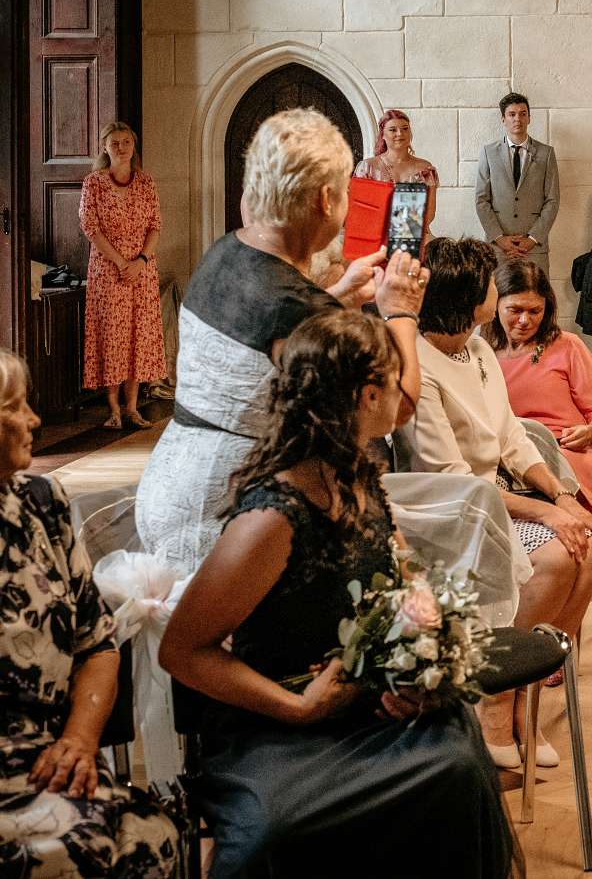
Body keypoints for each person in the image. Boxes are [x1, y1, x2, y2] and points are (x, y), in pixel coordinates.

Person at [159, 311, 514, 877]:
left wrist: (420, 659)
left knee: (459, 768)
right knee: (279, 826)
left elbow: (405, 569)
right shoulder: (273, 518)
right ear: (368, 395)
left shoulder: (357, 473)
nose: (404, 395)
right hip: (275, 715)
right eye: (396, 381)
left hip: (364, 699)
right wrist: (301, 708)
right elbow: (181, 651)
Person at [136, 109, 425, 576]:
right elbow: (391, 409)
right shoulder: (298, 307)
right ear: (327, 200)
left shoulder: (225, 252)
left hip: (171, 479)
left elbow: (263, 336)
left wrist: (339, 296)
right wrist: (401, 312)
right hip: (231, 511)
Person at [407, 237, 592, 767]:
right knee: (559, 556)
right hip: (450, 516)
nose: (499, 292)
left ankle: (524, 696)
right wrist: (546, 512)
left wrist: (563, 496)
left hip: (494, 501)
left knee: (589, 547)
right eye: (491, 287)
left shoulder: (475, 350)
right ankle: (495, 698)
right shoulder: (420, 364)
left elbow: (512, 438)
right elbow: (453, 480)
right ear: (469, 299)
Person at [0, 347, 180, 878]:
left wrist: (78, 740)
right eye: (16, 407)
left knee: (150, 833)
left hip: (48, 754)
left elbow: (97, 642)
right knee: (69, 851)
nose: (34, 420)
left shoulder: (41, 501)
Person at [487, 258, 592, 520]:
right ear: (494, 305)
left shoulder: (568, 345)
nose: (524, 320)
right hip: (511, 455)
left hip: (570, 454)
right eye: (515, 310)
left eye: (535, 311)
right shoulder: (483, 353)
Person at [79, 121, 166, 430]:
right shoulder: (93, 183)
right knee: (112, 335)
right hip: (107, 269)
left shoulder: (146, 182)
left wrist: (140, 260)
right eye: (114, 142)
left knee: (138, 334)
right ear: (105, 147)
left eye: (126, 142)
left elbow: (155, 225)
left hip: (142, 269)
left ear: (133, 145)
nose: (121, 147)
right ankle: (113, 408)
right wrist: (120, 262)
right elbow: (91, 227)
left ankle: (132, 407)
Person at [475, 92, 559, 269]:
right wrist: (499, 238)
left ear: (529, 118)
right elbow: (481, 200)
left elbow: (552, 200)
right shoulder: (489, 152)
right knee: (496, 287)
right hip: (497, 247)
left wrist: (532, 239)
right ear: (503, 118)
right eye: (511, 114)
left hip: (534, 247)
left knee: (536, 287)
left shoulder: (546, 153)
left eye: (522, 114)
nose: (517, 119)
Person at [354, 108, 439, 239]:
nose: (400, 133)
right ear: (382, 134)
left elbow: (429, 214)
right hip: (376, 235)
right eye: (393, 130)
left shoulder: (425, 168)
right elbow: (361, 211)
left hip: (415, 234)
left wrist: (405, 234)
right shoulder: (367, 167)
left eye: (405, 128)